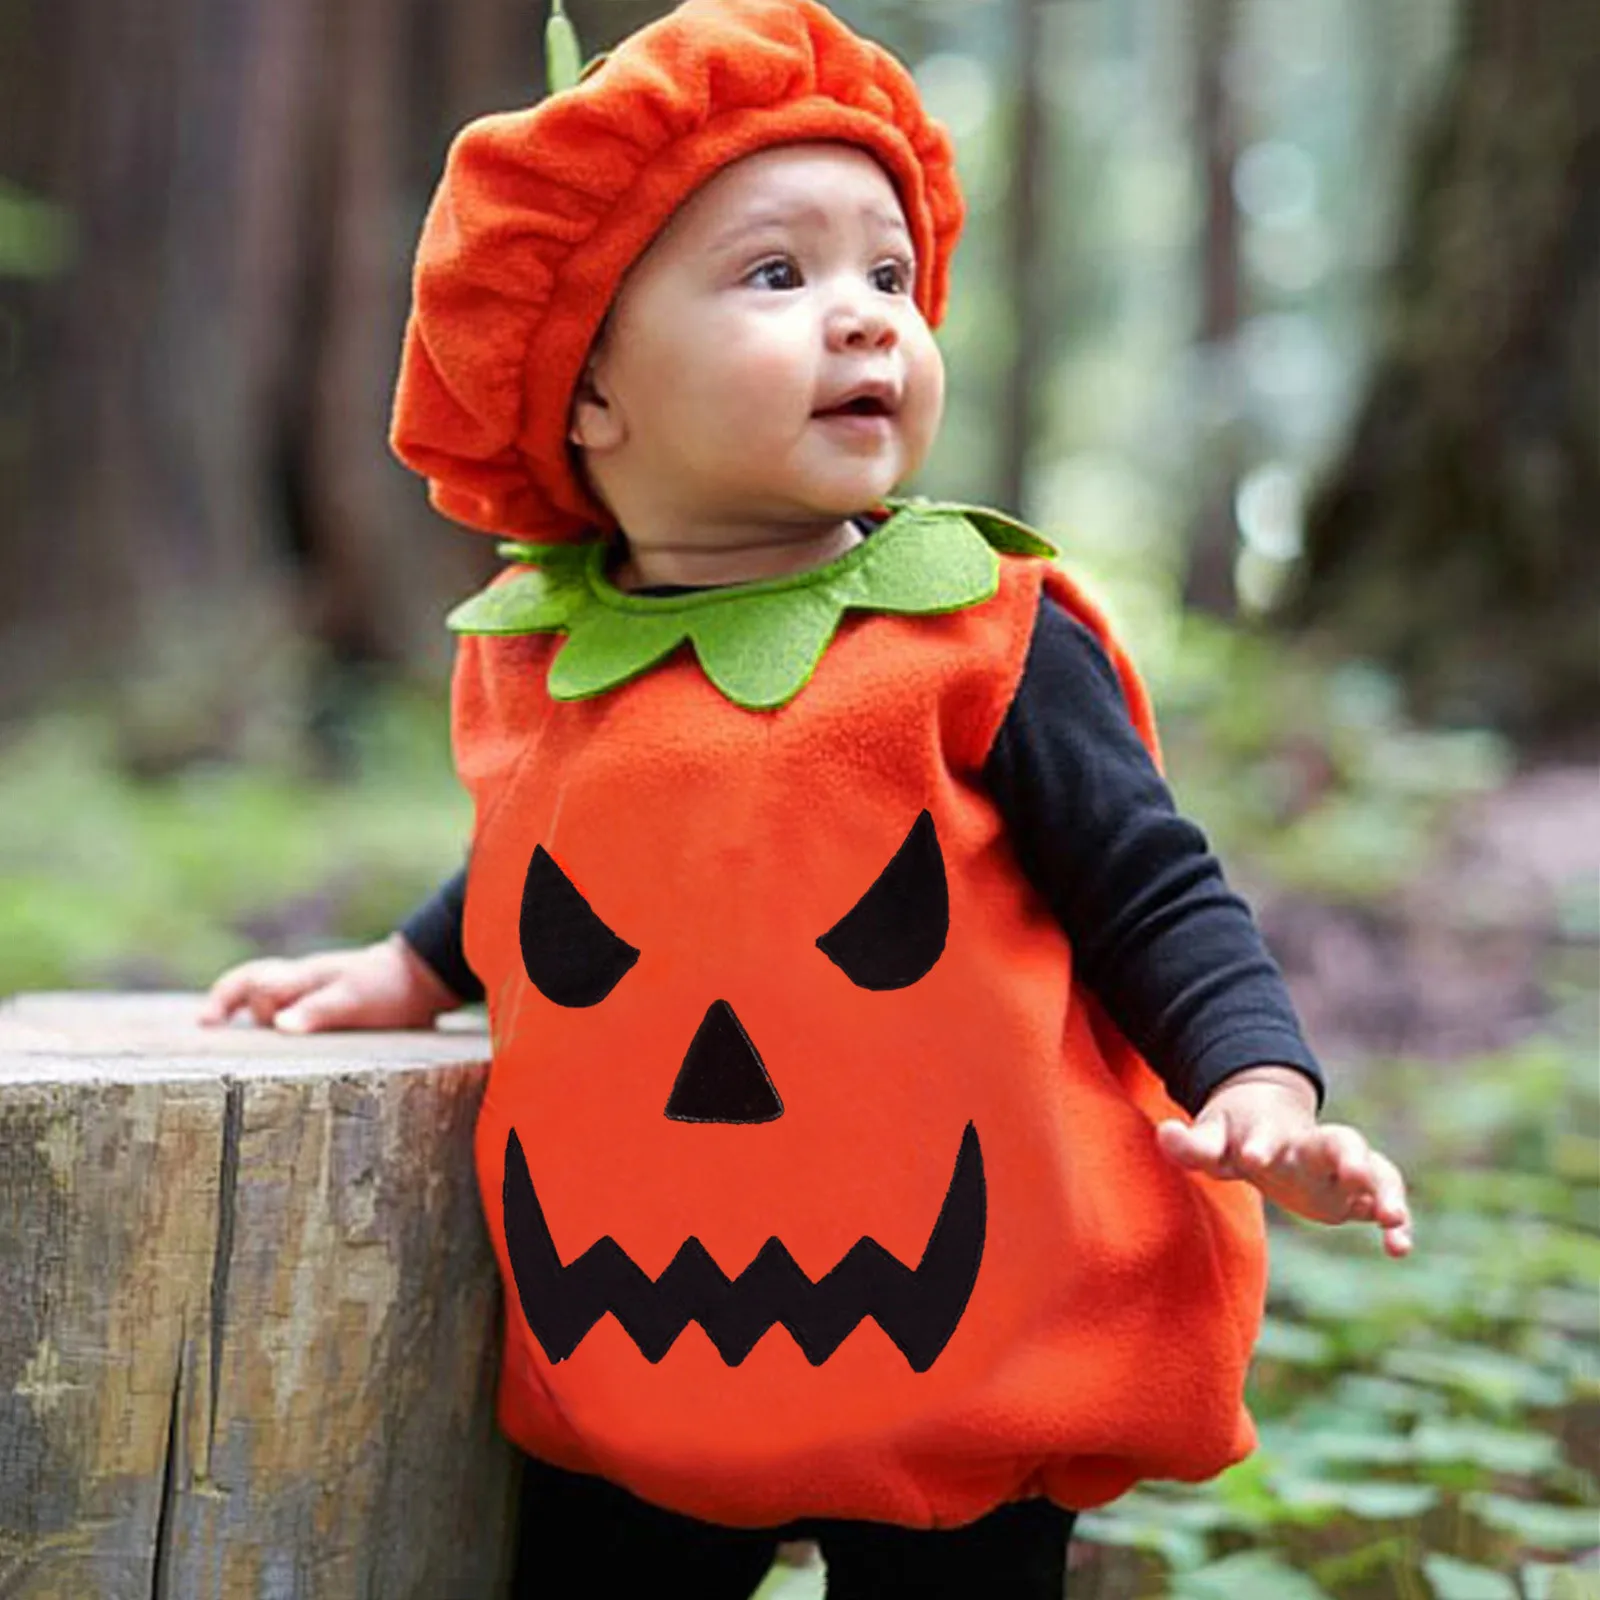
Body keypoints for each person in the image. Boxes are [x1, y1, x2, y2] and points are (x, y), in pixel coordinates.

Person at [202, 2, 1412, 1594]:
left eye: (890, 278)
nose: (865, 321)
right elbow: (557, 864)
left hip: (960, 1339)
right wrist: (417, 966)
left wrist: (1259, 1077)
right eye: (779, 274)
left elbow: (1150, 883)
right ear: (584, 392)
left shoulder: (979, 633)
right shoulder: (546, 656)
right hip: (641, 1348)